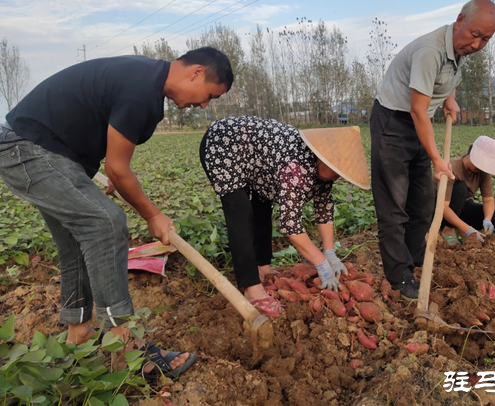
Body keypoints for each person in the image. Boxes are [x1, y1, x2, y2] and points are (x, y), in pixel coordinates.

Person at [0, 47, 234, 379]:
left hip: (38, 148)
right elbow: (118, 168)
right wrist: (153, 215)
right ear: (196, 72)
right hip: (29, 148)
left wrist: (100, 173)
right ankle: (123, 344)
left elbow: (110, 157)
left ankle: (78, 333)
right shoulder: (143, 91)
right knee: (107, 223)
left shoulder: (144, 78)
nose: (205, 105)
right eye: (210, 95)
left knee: (78, 240)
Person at [370, 0, 495, 300]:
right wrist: (438, 160)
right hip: (394, 122)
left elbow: (443, 81)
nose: (478, 43)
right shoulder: (430, 51)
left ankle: (416, 261)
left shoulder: (457, 50)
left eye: (486, 39)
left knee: (424, 201)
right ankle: (399, 277)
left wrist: (450, 98)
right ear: (460, 21)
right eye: (475, 34)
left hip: (418, 122)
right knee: (394, 206)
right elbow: (417, 110)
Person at [200, 116, 370, 318]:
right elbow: (291, 226)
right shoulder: (295, 167)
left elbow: (324, 209)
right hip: (224, 145)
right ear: (322, 156)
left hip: (257, 162)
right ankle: (251, 288)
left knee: (262, 207)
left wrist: (330, 250)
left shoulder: (324, 173)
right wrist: (322, 263)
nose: (337, 176)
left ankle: (262, 269)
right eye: (335, 168)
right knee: (241, 213)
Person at [440, 136, 495, 245]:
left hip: (458, 210)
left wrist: (487, 220)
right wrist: (468, 230)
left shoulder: (483, 172)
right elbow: (443, 206)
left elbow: (488, 200)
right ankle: (449, 228)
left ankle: (459, 226)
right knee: (461, 187)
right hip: (437, 210)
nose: (481, 167)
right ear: (471, 154)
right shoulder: (452, 168)